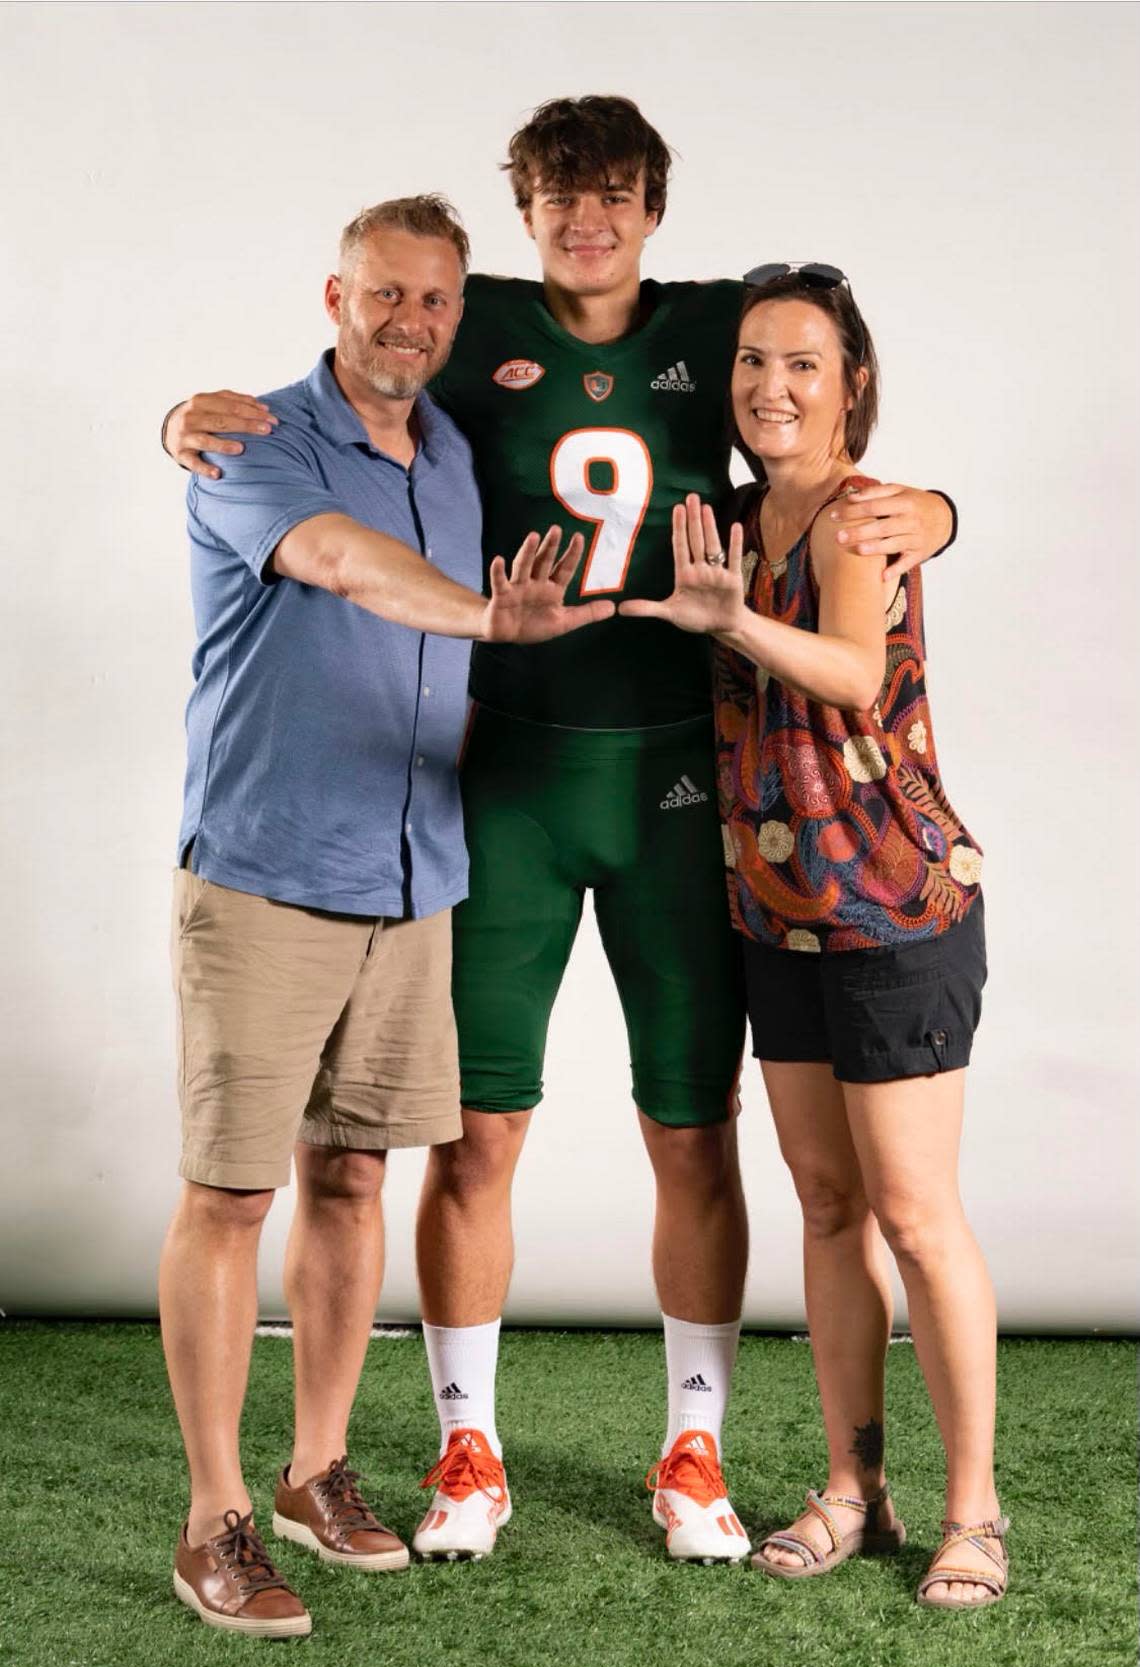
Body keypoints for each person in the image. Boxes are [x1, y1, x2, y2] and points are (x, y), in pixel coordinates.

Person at [161, 96, 958, 1567]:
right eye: (558, 197)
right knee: (479, 1130)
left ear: (657, 208)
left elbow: (823, 419)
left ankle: (694, 1441)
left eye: (615, 197)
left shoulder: (719, 320)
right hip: (505, 774)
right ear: (523, 212)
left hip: (676, 776)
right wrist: (178, 416)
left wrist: (939, 506)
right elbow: (339, 390)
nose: (587, 223)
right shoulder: (467, 319)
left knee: (690, 1126)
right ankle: (469, 1437)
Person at [161, 193, 608, 1637]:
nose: (410, 320)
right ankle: (214, 1514)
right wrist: (484, 620)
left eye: (436, 300)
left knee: (354, 1179)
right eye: (385, 295)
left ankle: (313, 1469)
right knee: (235, 1195)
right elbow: (342, 561)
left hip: (415, 880)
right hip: (267, 873)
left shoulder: (463, 451)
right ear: (333, 296)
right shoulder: (254, 442)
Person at [622, 263, 1005, 1608]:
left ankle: (976, 1514)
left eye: (801, 364)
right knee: (830, 1206)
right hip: (774, 917)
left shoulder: (866, 516)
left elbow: (848, 672)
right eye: (750, 362)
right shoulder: (724, 517)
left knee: (914, 1211)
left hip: (895, 905)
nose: (770, 387)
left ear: (852, 384)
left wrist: (734, 620)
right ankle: (855, 1487)